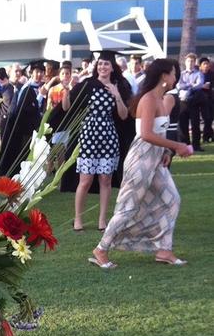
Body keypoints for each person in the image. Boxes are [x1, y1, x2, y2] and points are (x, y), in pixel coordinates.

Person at [89, 59, 192, 269]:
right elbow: (145, 134)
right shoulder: (148, 99)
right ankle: (101, 249)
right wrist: (176, 145)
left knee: (172, 199)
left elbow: (158, 131)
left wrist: (166, 150)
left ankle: (164, 249)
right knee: (128, 207)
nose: (175, 78)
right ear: (164, 76)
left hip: (155, 160)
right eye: (173, 74)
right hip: (141, 160)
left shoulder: (161, 99)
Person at [62, 50, 133, 231]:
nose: (102, 67)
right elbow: (67, 107)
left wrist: (116, 94)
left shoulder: (119, 85)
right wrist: (66, 89)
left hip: (109, 136)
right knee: (85, 180)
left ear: (112, 68)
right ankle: (78, 219)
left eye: (106, 64)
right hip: (89, 135)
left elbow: (124, 116)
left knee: (105, 179)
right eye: (100, 63)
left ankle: (102, 220)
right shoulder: (88, 84)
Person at [0, 59, 46, 176]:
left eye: (20, 71)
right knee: (8, 150)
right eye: (16, 71)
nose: (18, 73)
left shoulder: (24, 88)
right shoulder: (6, 88)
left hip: (22, 127)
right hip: (8, 124)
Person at [177, 53, 205, 151]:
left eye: (192, 61)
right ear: (185, 62)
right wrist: (190, 85)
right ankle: (185, 144)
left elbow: (199, 85)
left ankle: (196, 145)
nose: (190, 63)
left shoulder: (198, 73)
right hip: (183, 102)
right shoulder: (181, 74)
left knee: (195, 124)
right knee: (183, 124)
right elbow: (178, 86)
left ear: (195, 62)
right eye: (188, 61)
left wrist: (187, 86)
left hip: (194, 101)